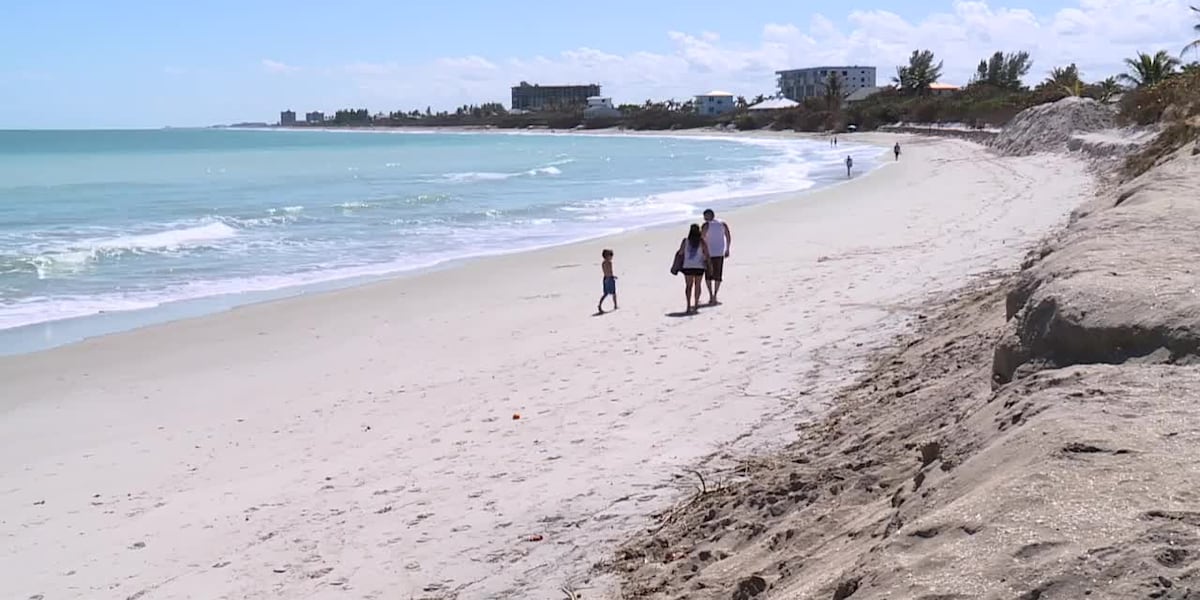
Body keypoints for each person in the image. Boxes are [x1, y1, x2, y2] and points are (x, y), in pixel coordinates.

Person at [676, 224, 710, 314]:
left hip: (688, 266)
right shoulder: (702, 241)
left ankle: (688, 306)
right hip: (699, 266)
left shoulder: (685, 241)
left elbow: (681, 252)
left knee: (688, 286)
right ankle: (695, 305)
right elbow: (706, 254)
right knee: (697, 285)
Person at [701, 209, 731, 305]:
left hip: (709, 253)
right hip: (719, 252)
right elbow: (728, 236)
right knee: (718, 275)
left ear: (708, 216)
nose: (704, 218)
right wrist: (727, 248)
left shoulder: (706, 225)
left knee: (708, 276)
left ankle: (711, 295)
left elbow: (701, 238)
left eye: (705, 216)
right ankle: (715, 295)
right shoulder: (722, 223)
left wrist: (701, 251)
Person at [597, 249, 617, 314]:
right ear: (607, 256)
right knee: (613, 293)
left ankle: (600, 305)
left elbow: (605, 272)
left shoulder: (603, 263)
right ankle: (615, 305)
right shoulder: (609, 263)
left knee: (605, 293)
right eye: (611, 256)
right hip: (609, 279)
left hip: (605, 278)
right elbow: (609, 272)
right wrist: (612, 276)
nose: (611, 257)